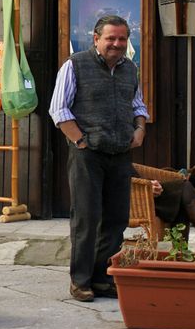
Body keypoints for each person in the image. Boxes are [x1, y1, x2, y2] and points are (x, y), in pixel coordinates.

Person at [49, 15, 148, 302]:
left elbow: (137, 103)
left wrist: (140, 128)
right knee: (86, 218)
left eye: (121, 39)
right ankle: (80, 281)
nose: (116, 44)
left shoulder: (131, 69)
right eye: (110, 38)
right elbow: (59, 109)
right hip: (87, 155)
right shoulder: (75, 65)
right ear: (96, 39)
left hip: (120, 153)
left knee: (116, 219)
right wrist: (80, 140)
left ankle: (103, 278)